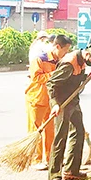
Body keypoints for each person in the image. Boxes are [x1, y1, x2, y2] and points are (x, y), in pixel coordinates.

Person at [46, 43, 91, 180]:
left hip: (73, 101)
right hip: (62, 103)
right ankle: (54, 177)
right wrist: (54, 104)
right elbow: (51, 84)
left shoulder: (81, 61)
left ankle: (71, 170)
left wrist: (88, 76)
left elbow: (74, 79)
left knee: (78, 132)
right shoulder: (69, 63)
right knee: (60, 137)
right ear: (88, 54)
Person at [26, 35, 72, 171]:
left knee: (51, 131)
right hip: (37, 99)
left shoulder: (62, 61)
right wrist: (55, 74)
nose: (66, 53)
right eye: (65, 50)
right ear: (58, 47)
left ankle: (51, 157)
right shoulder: (40, 59)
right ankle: (36, 160)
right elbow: (36, 78)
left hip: (53, 101)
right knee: (36, 130)